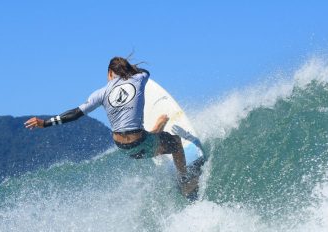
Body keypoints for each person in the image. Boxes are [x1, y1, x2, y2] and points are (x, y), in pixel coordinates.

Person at [24, 56, 200, 199]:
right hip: (139, 141)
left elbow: (75, 114)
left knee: (148, 138)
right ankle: (184, 181)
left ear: (109, 73)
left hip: (123, 147)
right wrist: (132, 71)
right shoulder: (139, 79)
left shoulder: (100, 93)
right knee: (175, 142)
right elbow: (146, 72)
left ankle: (157, 128)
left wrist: (45, 123)